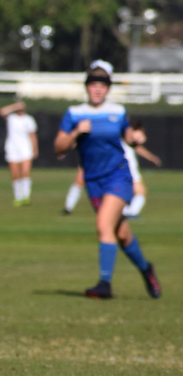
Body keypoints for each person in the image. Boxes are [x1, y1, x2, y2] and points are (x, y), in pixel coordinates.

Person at [54, 59, 160, 300]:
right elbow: (59, 148)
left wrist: (137, 139)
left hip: (119, 176)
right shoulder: (74, 113)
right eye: (94, 85)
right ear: (87, 87)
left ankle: (105, 284)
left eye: (103, 85)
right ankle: (146, 269)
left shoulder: (118, 111)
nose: (98, 89)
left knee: (103, 226)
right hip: (93, 182)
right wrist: (75, 132)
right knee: (121, 233)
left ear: (108, 89)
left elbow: (129, 138)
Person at [0, 99, 38, 207]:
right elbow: (2, 112)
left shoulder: (29, 119)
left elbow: (32, 135)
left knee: (25, 172)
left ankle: (26, 196)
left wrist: (35, 148)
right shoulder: (11, 118)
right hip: (12, 148)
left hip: (25, 148)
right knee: (15, 175)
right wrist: (14, 106)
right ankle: (18, 197)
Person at [121, 121, 161, 218]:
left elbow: (137, 147)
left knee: (128, 192)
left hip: (125, 168)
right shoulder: (126, 137)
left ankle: (126, 212)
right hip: (127, 168)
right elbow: (136, 144)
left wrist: (151, 157)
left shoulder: (122, 139)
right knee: (140, 191)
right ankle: (131, 213)